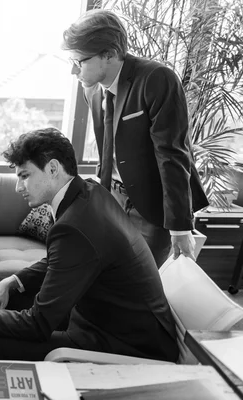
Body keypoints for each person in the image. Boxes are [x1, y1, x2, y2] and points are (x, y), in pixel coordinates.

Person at [0, 128, 178, 362]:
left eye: (24, 176)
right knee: (13, 297)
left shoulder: (74, 226)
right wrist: (14, 279)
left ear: (53, 168)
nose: (18, 187)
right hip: (111, 316)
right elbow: (65, 259)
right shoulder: (90, 192)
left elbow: (37, 324)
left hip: (123, 342)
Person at [62, 9, 208, 267]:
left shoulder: (156, 79)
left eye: (80, 61)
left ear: (108, 54)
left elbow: (172, 154)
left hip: (153, 207)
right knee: (115, 279)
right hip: (113, 201)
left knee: (148, 284)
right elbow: (109, 147)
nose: (74, 72)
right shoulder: (92, 90)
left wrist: (180, 228)